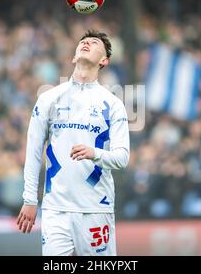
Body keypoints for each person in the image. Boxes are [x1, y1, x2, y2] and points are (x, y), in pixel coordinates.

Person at [17, 30, 130, 256]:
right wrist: (30, 199)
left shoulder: (113, 104)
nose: (86, 43)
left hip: (96, 207)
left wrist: (94, 153)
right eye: (83, 42)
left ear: (104, 60)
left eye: (94, 42)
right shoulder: (49, 98)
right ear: (73, 57)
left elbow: (122, 158)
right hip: (55, 209)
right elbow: (33, 150)